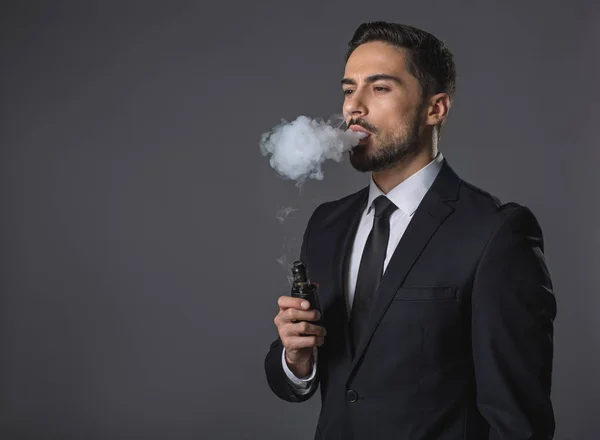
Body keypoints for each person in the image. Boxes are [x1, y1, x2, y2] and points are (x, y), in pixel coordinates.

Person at [264, 21, 556, 440]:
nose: (353, 108)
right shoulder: (327, 225)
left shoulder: (496, 233)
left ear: (435, 108)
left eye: (379, 88)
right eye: (349, 90)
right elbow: (304, 380)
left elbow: (517, 422)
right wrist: (296, 361)